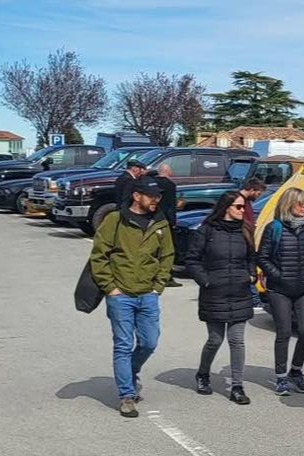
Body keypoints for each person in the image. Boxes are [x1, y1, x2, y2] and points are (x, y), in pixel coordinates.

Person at [89, 177, 175, 418]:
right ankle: (127, 395)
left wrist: (158, 285)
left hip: (148, 294)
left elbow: (167, 255)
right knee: (123, 345)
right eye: (152, 196)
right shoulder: (115, 220)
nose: (156, 200)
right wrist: (110, 287)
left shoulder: (160, 222)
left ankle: (131, 370)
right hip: (120, 295)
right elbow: (99, 255)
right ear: (137, 196)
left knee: (149, 342)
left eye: (158, 196)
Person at [185, 191, 256, 405]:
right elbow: (192, 259)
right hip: (214, 293)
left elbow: (252, 257)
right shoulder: (207, 231)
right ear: (226, 208)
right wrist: (205, 280)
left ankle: (237, 386)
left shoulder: (246, 231)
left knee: (237, 340)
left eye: (244, 207)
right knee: (215, 339)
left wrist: (251, 276)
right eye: (239, 207)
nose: (243, 211)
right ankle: (203, 374)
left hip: (239, 292)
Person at [257, 188, 304, 396]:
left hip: (303, 288)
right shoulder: (273, 228)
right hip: (280, 290)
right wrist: (278, 275)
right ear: (289, 204)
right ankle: (281, 376)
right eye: (301, 203)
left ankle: (296, 370)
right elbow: (262, 257)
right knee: (283, 333)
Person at [239, 178, 267, 312]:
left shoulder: (246, 202)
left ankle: (253, 299)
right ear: (252, 190)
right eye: (258, 194)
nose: (258, 196)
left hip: (247, 241)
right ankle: (255, 300)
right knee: (248, 270)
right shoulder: (239, 202)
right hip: (244, 242)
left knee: (249, 270)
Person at [155, 164, 182, 288]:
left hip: (154, 219)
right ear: (167, 171)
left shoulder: (153, 183)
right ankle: (168, 277)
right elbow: (170, 206)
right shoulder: (170, 185)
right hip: (166, 220)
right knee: (168, 250)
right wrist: (173, 222)